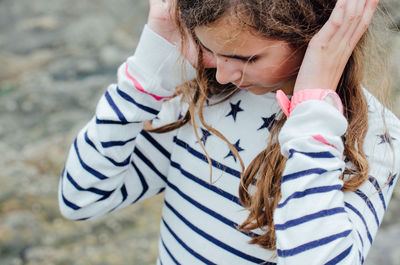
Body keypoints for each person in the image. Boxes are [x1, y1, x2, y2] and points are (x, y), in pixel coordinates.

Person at [58, 0, 400, 264]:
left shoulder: (371, 139)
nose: (222, 74)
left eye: (246, 58)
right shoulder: (200, 96)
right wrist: (144, 79)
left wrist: (313, 119)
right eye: (210, 50)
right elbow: (81, 198)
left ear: (313, 35)